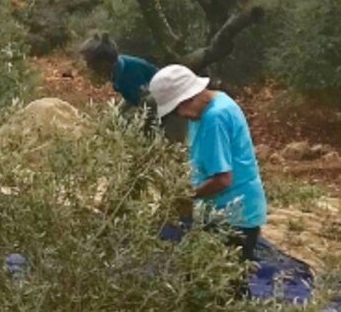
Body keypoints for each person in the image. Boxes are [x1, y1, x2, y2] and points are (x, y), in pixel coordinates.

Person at [148, 65, 266, 266]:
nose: (180, 116)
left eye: (178, 110)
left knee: (226, 286)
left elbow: (222, 179)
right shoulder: (210, 105)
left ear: (189, 97)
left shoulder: (215, 118)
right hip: (221, 211)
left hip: (234, 216)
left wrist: (185, 197)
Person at [79, 32, 184, 142]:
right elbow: (131, 97)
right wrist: (114, 115)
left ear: (104, 61)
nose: (89, 66)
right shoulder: (117, 70)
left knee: (171, 145)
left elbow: (147, 103)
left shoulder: (129, 73)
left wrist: (133, 129)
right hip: (156, 108)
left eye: (90, 62)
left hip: (173, 108)